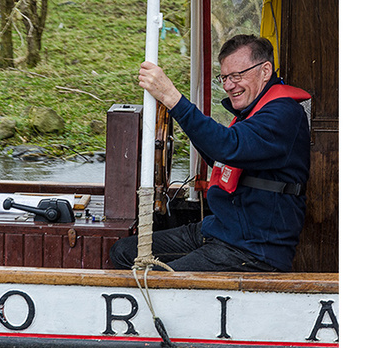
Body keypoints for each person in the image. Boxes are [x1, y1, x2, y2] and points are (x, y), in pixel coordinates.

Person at [110, 34, 311, 272]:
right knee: (123, 251)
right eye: (225, 77)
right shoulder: (253, 112)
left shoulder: (283, 113)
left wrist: (172, 98)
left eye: (237, 76)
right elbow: (220, 157)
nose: (228, 86)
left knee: (160, 281)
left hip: (253, 250)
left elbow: (228, 147)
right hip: (221, 230)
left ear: (265, 70)